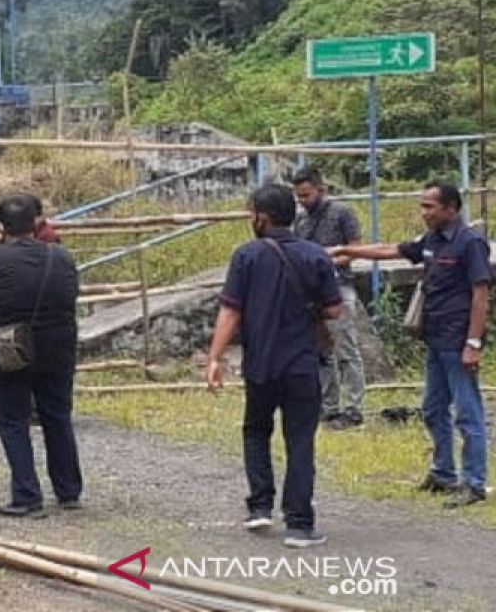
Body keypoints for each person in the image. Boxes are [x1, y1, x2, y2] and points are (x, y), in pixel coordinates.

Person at [332, 181, 489, 508]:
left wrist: (473, 342)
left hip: (458, 339)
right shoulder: (431, 240)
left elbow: (480, 294)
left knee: (467, 412)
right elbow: (392, 251)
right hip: (435, 338)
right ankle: (442, 473)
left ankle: (474, 483)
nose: (424, 213)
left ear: (451, 208)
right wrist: (348, 251)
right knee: (433, 409)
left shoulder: (469, 243)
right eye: (422, 206)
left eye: (430, 206)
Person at [206, 184, 343, 548]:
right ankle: (299, 524)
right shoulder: (316, 256)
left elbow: (230, 310)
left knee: (256, 432)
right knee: (300, 441)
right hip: (301, 365)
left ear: (261, 218)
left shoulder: (246, 256)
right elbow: (333, 309)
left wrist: (215, 358)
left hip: (260, 365)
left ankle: (260, 507)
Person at [0, 193, 82, 517]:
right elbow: (72, 294)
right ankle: (68, 490)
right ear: (38, 222)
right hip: (58, 347)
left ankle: (27, 496)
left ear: (1, 226)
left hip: (8, 347)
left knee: (13, 419)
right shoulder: (61, 258)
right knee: (57, 415)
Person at [292, 167, 365, 430]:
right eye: (298, 196)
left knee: (346, 349)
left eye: (306, 195)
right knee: (322, 352)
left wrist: (327, 261)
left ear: (320, 190)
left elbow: (356, 249)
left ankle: (354, 408)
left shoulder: (342, 213)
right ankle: (329, 405)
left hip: (339, 287)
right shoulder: (301, 221)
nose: (302, 200)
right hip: (313, 293)